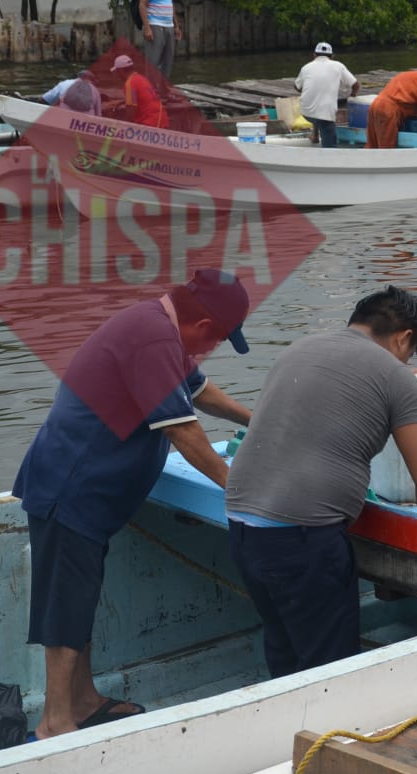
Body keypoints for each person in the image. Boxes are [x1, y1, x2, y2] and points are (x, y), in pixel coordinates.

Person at [13, 268, 255, 738]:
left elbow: (200, 392)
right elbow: (183, 429)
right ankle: (55, 722)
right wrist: (240, 486)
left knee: (81, 595)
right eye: (219, 339)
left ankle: (83, 701)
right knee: (65, 602)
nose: (212, 348)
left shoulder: (161, 328)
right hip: (71, 487)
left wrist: (258, 419)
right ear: (205, 326)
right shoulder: (153, 338)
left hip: (89, 493)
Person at [224, 286, 417, 678]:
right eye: (410, 353)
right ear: (404, 338)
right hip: (302, 539)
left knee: (284, 647)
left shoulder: (298, 349)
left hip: (242, 525)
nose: (406, 361)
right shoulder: (395, 375)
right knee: (328, 671)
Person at [295, 42, 360, 148]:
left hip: (306, 112)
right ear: (332, 56)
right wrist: (352, 96)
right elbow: (356, 85)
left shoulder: (306, 67)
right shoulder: (338, 66)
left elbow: (297, 87)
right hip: (324, 116)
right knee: (330, 146)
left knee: (318, 110)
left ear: (314, 55)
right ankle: (328, 148)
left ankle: (315, 136)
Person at [366, 68, 417, 149]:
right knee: (387, 148)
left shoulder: (410, 75)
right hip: (388, 110)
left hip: (374, 105)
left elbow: (406, 100)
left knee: (372, 145)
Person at [112, 54, 169, 128]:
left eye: (117, 71)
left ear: (120, 70)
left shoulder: (130, 83)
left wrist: (122, 125)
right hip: (161, 119)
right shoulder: (141, 78)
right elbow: (142, 98)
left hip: (152, 123)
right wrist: (123, 102)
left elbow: (131, 109)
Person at [139, 0, 182, 78]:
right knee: (153, 61)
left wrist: (176, 26)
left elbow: (170, 5)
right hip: (154, 24)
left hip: (169, 25)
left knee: (168, 60)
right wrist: (147, 28)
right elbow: (142, 5)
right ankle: (150, 84)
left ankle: (163, 83)